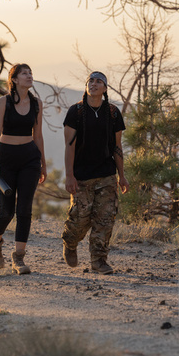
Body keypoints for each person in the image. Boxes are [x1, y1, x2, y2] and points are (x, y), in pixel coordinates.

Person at [62, 71, 129, 275]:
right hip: (82, 175)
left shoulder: (113, 113)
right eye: (91, 80)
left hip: (107, 174)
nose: (94, 83)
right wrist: (69, 175)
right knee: (80, 218)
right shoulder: (76, 112)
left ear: (105, 89)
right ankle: (70, 243)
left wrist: (122, 175)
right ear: (86, 86)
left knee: (105, 219)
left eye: (99, 81)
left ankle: (99, 260)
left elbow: (117, 146)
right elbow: (69, 146)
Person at [0, 63, 46, 274]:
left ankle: (19, 257)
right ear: (14, 79)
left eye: (30, 72)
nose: (29, 76)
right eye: (24, 73)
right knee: (6, 211)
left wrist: (43, 164)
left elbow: (38, 136)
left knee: (25, 209)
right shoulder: (4, 102)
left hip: (30, 158)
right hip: (6, 159)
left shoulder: (37, 103)